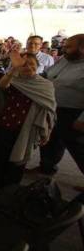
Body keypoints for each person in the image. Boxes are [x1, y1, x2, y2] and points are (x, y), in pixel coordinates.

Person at [0, 51, 56, 190]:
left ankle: (10, 193)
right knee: (0, 160)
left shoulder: (45, 85)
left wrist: (47, 132)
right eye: (23, 64)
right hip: (5, 126)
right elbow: (2, 86)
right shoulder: (13, 79)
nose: (28, 67)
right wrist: (14, 68)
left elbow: (50, 110)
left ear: (37, 65)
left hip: (26, 130)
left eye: (31, 64)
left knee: (18, 163)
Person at [37, 34, 84, 187]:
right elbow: (48, 74)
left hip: (74, 114)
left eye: (69, 47)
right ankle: (46, 169)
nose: (64, 49)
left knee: (78, 149)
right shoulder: (65, 59)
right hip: (53, 109)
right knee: (50, 141)